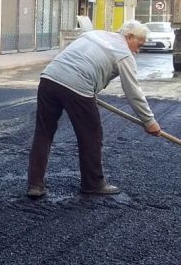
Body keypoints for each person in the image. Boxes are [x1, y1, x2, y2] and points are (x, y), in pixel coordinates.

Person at [27, 20, 162, 198]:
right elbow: (133, 91)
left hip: (49, 79)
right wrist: (149, 121)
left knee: (44, 132)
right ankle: (93, 183)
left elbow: (77, 59)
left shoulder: (93, 34)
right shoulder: (123, 53)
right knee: (91, 135)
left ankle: (35, 185)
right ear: (129, 37)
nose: (137, 51)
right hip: (77, 87)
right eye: (139, 45)